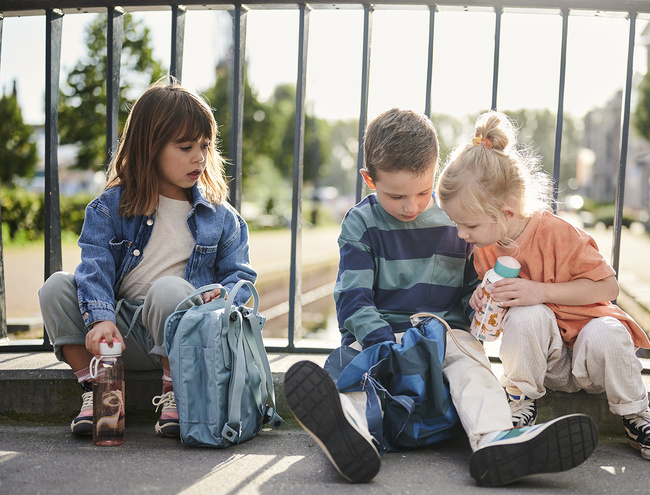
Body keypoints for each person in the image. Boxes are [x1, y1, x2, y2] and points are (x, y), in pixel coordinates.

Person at [285, 108, 598, 487]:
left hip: (443, 333)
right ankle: (351, 434)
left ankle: (496, 440)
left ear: (434, 173)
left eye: (422, 191)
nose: (410, 206)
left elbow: (468, 290)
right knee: (355, 374)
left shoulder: (456, 220)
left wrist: (478, 302)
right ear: (370, 180)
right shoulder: (360, 223)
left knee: (473, 369)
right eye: (396, 195)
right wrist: (383, 341)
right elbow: (353, 300)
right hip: (379, 335)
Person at [38, 79, 256, 439]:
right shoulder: (110, 208)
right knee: (54, 288)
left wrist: (223, 295)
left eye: (204, 146)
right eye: (185, 147)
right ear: (149, 148)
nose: (199, 157)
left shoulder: (222, 217)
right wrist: (101, 319)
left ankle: (177, 392)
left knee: (169, 289)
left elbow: (241, 278)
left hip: (184, 337)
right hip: (121, 338)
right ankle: (102, 391)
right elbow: (94, 267)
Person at [436, 110, 650, 460]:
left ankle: (635, 413)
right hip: (545, 362)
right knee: (526, 315)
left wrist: (541, 291)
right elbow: (507, 310)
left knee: (609, 331)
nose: (462, 234)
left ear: (505, 213)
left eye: (469, 225)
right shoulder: (486, 249)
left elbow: (607, 288)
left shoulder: (557, 234)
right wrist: (483, 296)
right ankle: (520, 400)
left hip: (589, 355)